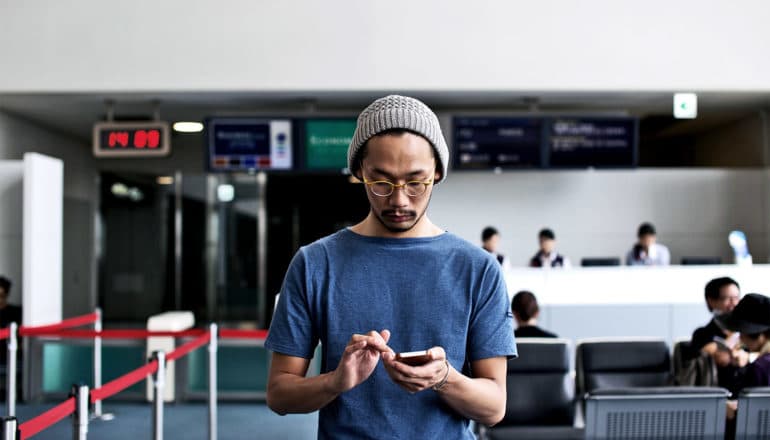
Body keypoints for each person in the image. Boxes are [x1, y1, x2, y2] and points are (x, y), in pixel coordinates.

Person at [265, 95, 517, 439]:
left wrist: (444, 378)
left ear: (438, 173)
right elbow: (279, 394)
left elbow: (494, 407)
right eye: (381, 182)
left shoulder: (478, 269)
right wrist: (336, 381)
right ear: (359, 173)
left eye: (416, 182)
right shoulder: (315, 263)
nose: (399, 199)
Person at [717, 293, 770, 435]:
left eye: (741, 332)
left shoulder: (759, 368)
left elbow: (748, 418)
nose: (740, 338)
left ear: (760, 335)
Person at [687, 277, 746, 388]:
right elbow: (721, 358)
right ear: (711, 301)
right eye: (727, 298)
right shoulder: (702, 334)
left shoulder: (749, 331)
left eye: (736, 298)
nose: (734, 303)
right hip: (718, 394)